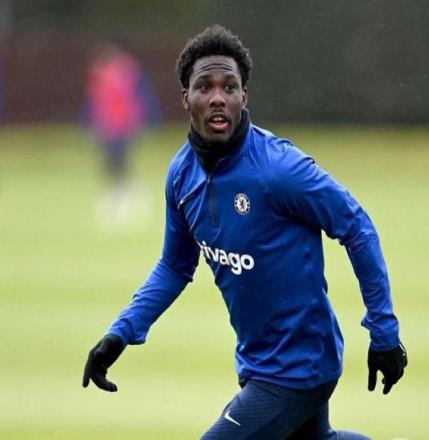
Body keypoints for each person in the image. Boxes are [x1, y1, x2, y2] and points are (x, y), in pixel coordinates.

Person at [82, 25, 407, 439]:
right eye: (205, 87)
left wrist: (384, 332)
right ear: (186, 98)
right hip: (258, 361)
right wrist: (120, 333)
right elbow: (174, 266)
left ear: (243, 97)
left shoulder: (279, 170)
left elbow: (356, 226)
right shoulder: (181, 175)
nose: (218, 97)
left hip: (298, 368)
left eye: (229, 87)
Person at [82, 40, 161, 227]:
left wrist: (149, 121)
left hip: (123, 127)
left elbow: (142, 97)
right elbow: (94, 102)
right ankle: (120, 203)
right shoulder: (101, 73)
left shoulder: (128, 71)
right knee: (113, 166)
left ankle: (127, 202)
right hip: (108, 128)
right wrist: (89, 124)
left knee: (120, 165)